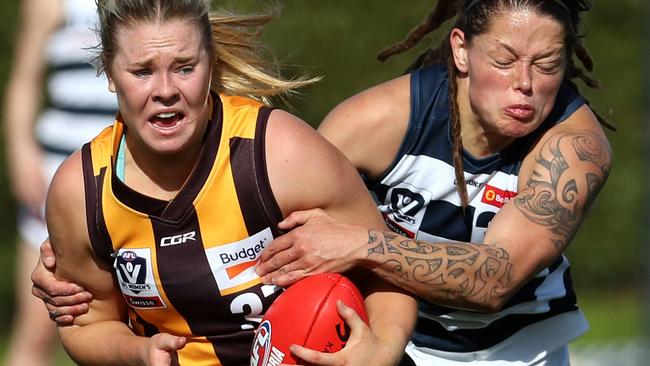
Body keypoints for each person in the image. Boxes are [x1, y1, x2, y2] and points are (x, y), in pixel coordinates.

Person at [31, 0, 614, 365]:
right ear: (461, 50)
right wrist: (74, 260)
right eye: (506, 59)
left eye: (547, 65)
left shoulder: (574, 146)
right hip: (398, 341)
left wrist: (363, 245)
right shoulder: (377, 123)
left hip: (519, 349)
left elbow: (496, 279)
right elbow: (247, 206)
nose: (525, 85)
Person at [32, 0, 416, 365]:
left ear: (211, 63)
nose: (165, 90)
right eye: (142, 71)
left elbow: (390, 267)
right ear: (110, 73)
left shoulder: (279, 152)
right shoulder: (80, 191)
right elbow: (89, 324)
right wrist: (138, 353)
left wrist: (380, 350)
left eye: (185, 67)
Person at [2, 0, 117, 365]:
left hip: (135, 176)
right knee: (38, 327)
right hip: (55, 177)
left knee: (140, 331)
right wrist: (21, 154)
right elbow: (24, 77)